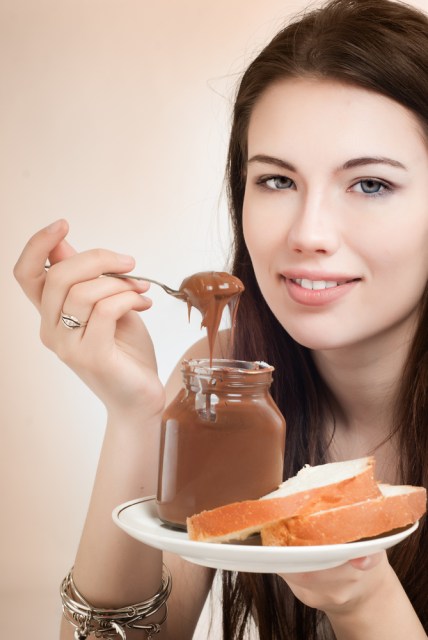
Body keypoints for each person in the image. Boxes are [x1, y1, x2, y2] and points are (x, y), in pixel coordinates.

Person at [14, 0, 428, 637]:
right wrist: (138, 417)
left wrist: (363, 599)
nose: (308, 233)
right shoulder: (226, 386)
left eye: (370, 184)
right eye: (276, 181)